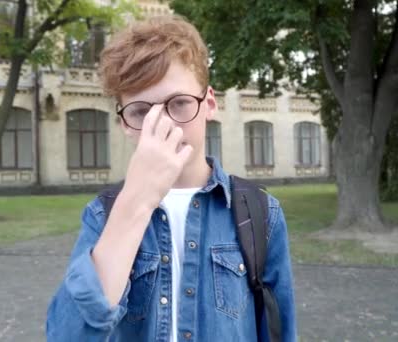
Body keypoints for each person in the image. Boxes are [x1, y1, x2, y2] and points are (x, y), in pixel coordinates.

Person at [46, 15, 296, 342]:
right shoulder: (103, 216)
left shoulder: (261, 213)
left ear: (208, 104)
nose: (163, 124)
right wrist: (135, 201)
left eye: (178, 103)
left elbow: (280, 331)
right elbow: (67, 336)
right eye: (140, 111)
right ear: (123, 122)